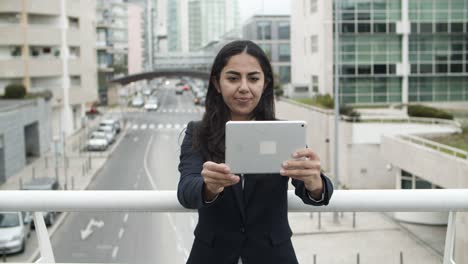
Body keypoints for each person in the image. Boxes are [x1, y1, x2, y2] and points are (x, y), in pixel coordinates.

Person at [178, 40, 333, 264]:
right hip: (212, 255)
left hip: (273, 255)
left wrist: (315, 182)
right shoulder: (198, 132)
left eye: (253, 78)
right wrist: (208, 187)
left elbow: (317, 194)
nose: (243, 87)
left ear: (265, 83)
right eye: (233, 78)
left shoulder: (284, 133)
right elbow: (185, 191)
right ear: (217, 84)